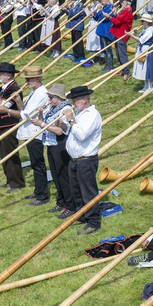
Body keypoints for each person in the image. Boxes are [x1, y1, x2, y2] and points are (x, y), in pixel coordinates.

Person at [65, 85, 103, 236]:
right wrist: (65, 123)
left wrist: (71, 121)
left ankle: (93, 221)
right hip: (75, 159)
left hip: (86, 160)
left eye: (74, 99)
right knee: (76, 191)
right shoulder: (80, 113)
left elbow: (82, 135)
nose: (73, 102)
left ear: (83, 100)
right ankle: (81, 215)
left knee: (88, 192)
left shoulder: (92, 115)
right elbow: (72, 132)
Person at [32, 83, 74, 215]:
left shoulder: (65, 109)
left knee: (63, 176)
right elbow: (44, 124)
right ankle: (60, 202)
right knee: (55, 176)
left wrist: (42, 123)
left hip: (60, 145)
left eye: (51, 97)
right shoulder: (52, 108)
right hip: (51, 145)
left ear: (58, 97)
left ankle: (69, 204)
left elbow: (60, 131)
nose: (50, 100)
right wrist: (40, 116)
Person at [17, 66, 51, 206]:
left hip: (36, 132)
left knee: (38, 164)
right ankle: (38, 191)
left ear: (36, 79)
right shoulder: (34, 92)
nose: (26, 82)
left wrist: (9, 110)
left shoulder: (42, 93)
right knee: (34, 163)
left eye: (28, 79)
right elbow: (25, 111)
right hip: (30, 131)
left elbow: (28, 114)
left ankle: (43, 195)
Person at [0, 62, 25, 193]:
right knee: (4, 153)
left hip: (10, 125)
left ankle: (17, 183)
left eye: (2, 73)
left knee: (10, 154)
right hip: (2, 124)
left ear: (9, 76)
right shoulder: (3, 87)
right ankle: (10, 179)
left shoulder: (13, 89)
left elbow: (3, 107)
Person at [131, 12, 153, 92]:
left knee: (147, 68)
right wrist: (135, 33)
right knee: (143, 68)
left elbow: (141, 40)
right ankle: (145, 86)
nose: (141, 23)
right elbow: (139, 39)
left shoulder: (150, 30)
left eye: (143, 21)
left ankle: (150, 87)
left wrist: (131, 35)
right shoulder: (145, 30)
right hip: (142, 49)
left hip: (147, 50)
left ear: (147, 22)